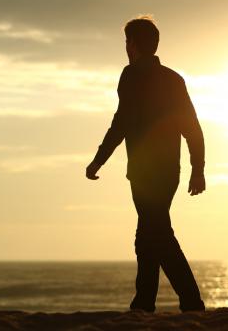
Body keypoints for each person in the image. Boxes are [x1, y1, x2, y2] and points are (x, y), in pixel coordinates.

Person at [86, 16, 206, 312]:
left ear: (135, 45)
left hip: (144, 173)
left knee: (158, 234)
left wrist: (98, 160)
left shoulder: (131, 76)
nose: (126, 48)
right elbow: (192, 127)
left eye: (127, 42)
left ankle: (190, 301)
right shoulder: (173, 79)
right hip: (169, 173)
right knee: (149, 234)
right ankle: (144, 303)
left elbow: (120, 123)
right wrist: (197, 169)